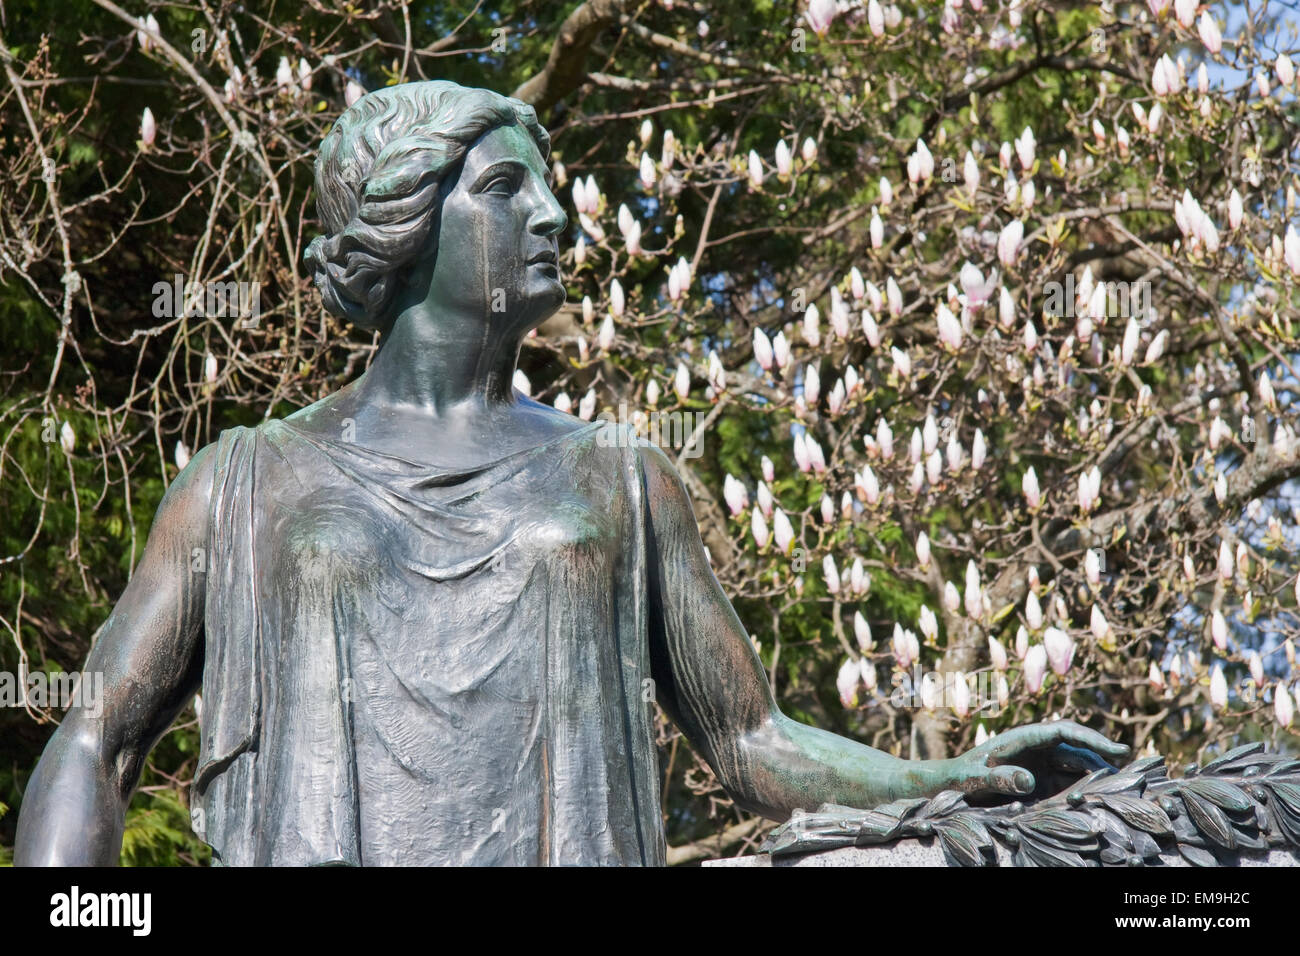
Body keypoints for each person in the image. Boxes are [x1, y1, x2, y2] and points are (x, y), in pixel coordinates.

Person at [15, 81, 1127, 866]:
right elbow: (94, 738)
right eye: (505, 188)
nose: (553, 214)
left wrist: (937, 776)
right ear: (403, 222)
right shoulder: (244, 481)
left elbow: (747, 737)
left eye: (547, 189)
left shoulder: (619, 476)